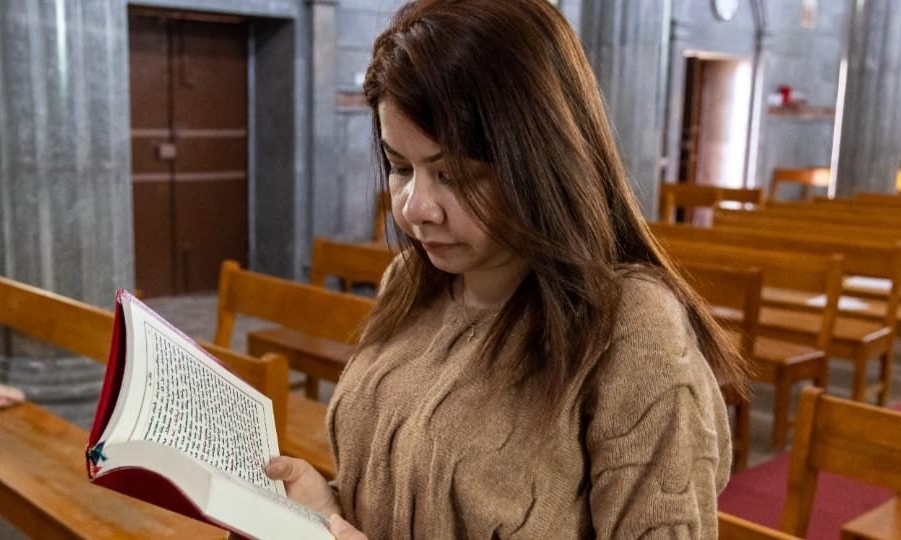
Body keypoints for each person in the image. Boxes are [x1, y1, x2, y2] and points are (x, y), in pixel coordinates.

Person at [266, 0, 747, 537]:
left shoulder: (632, 329)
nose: (414, 208)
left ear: (543, 160)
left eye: (455, 173)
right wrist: (326, 507)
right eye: (401, 167)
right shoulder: (408, 282)